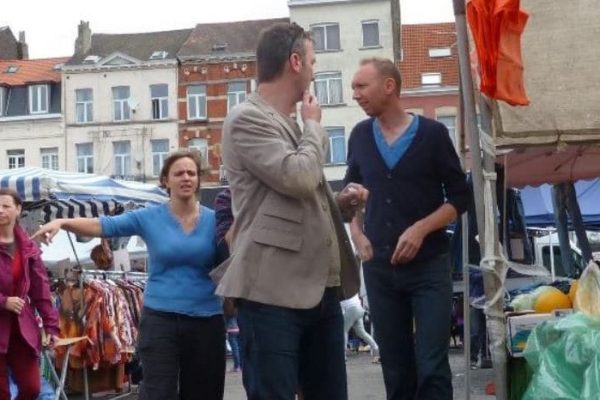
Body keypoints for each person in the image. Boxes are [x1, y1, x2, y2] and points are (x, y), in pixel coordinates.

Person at [217, 22, 368, 400]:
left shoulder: (288, 123)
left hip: (319, 290)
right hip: (271, 292)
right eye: (313, 62)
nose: (315, 72)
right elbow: (298, 177)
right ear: (295, 62)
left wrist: (337, 206)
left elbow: (290, 201)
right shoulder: (247, 118)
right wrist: (313, 127)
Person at [33, 150, 227, 400]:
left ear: (199, 179)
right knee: (158, 393)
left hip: (206, 319)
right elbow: (103, 225)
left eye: (191, 173)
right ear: (166, 181)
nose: (186, 178)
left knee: (205, 392)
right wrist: (62, 222)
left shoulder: (215, 220)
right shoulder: (149, 217)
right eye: (179, 173)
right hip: (161, 320)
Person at [346, 58, 469, 400]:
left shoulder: (433, 135)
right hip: (380, 270)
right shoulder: (359, 136)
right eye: (354, 87)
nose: (355, 94)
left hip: (429, 268)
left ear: (389, 86)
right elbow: (351, 194)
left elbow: (460, 197)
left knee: (432, 367)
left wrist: (421, 229)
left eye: (361, 86)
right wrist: (356, 233)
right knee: (396, 369)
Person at [0, 188, 60, 400]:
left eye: (5, 206)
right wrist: (3, 301)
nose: (0, 211)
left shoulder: (28, 247)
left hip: (21, 328)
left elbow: (40, 289)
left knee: (32, 387)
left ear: (18, 209)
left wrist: (52, 326)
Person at [340, 293, 380, 363]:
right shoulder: (353, 289)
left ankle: (343, 355)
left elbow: (342, 309)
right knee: (361, 332)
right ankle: (376, 347)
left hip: (351, 310)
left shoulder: (340, 292)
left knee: (343, 331)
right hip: (359, 309)